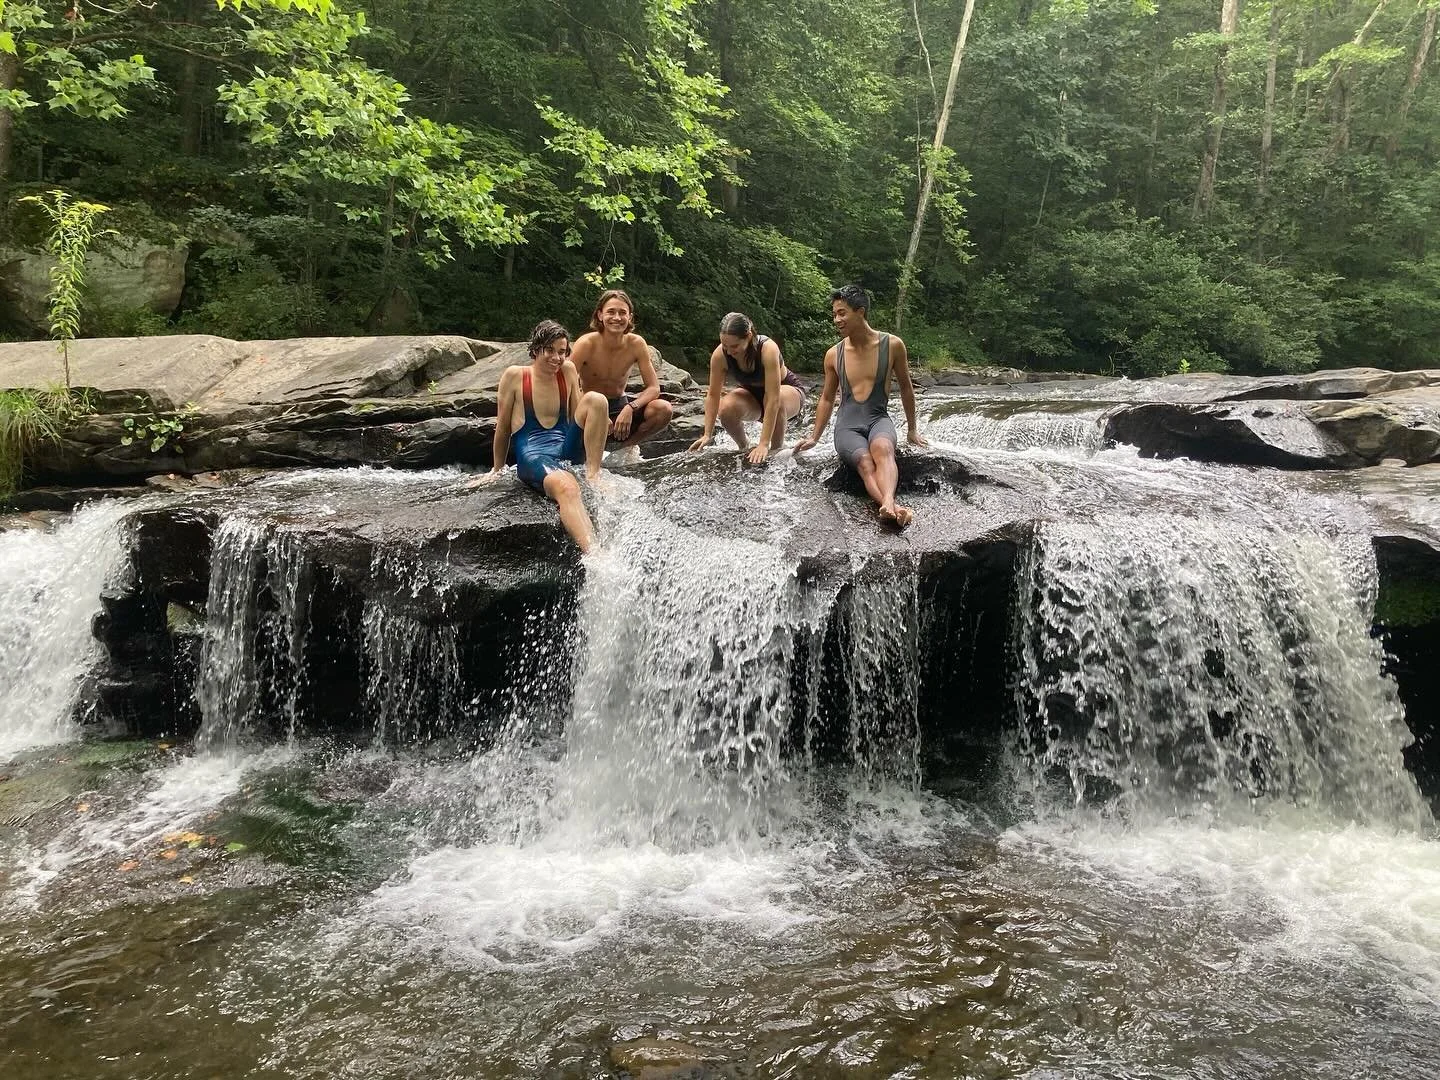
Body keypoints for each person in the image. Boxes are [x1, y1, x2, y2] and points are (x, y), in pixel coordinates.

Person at [793, 284, 927, 528]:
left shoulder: (893, 345)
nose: (836, 319)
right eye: (834, 314)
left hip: (878, 419)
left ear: (861, 311)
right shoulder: (833, 355)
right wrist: (814, 437)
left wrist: (912, 430)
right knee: (865, 463)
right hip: (848, 426)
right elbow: (825, 398)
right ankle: (892, 506)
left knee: (884, 449)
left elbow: (907, 388)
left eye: (842, 313)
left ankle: (888, 503)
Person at [475, 320, 611, 553]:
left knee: (597, 400)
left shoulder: (567, 370)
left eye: (561, 352)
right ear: (536, 350)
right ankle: (596, 555)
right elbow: (504, 427)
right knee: (567, 487)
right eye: (550, 350)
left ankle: (593, 473)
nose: (557, 358)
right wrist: (496, 470)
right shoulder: (515, 376)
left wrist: (599, 418)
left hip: (565, 448)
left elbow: (580, 414)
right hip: (534, 455)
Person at [688, 311, 805, 464]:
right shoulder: (720, 355)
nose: (729, 351)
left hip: (786, 392)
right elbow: (713, 395)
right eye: (725, 345)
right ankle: (743, 446)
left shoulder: (767, 349)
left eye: (735, 346)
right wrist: (707, 434)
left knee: (779, 400)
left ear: (749, 336)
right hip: (752, 396)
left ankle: (777, 449)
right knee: (726, 408)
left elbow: (772, 398)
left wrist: (764, 444)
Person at [571, 289, 675, 452]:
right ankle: (586, 450)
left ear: (630, 317)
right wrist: (599, 414)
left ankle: (626, 449)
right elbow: (567, 384)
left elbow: (653, 387)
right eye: (611, 312)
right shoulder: (586, 344)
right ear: (600, 315)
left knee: (663, 409)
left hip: (619, 403)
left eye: (622, 313)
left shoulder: (636, 343)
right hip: (589, 406)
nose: (617, 318)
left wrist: (630, 407)